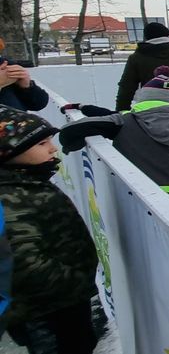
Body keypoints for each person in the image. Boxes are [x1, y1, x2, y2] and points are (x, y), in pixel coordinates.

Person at [0, 106, 105, 353]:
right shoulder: (9, 196)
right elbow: (21, 263)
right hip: (45, 311)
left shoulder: (26, 181)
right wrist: (75, 282)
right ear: (9, 151)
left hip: (60, 303)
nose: (52, 149)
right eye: (42, 143)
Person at [60, 67, 169, 214]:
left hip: (136, 190)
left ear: (143, 98)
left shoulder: (125, 120)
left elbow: (76, 128)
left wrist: (71, 143)